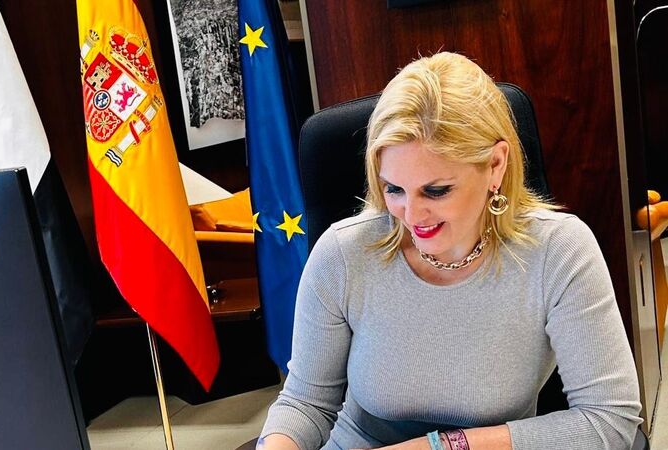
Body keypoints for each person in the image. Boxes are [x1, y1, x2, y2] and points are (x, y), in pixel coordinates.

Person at [256, 52, 642, 450]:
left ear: (495, 165)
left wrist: (440, 446)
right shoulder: (341, 253)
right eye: (394, 189)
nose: (411, 215)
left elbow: (609, 421)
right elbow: (306, 403)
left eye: (436, 190)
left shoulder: (558, 251)